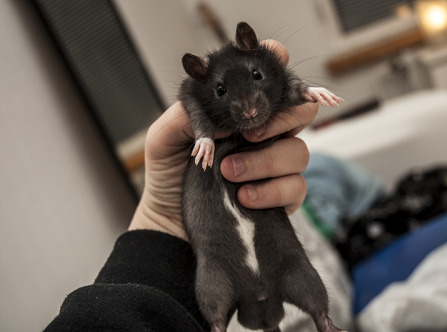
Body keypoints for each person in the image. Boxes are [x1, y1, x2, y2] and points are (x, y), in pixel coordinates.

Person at [45, 40, 317, 331]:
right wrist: (202, 136)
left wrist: (301, 91)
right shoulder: (198, 97)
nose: (249, 110)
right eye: (224, 90)